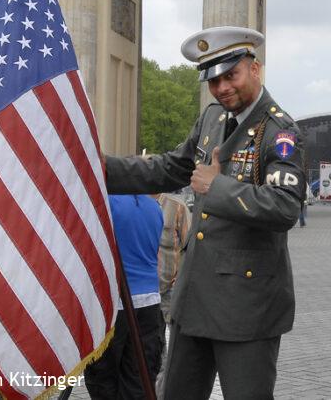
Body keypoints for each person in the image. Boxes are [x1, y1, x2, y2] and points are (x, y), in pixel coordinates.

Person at [104, 27, 306, 399]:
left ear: (255, 69)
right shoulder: (212, 118)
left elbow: (285, 206)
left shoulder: (280, 131)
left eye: (231, 75)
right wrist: (96, 168)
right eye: (213, 80)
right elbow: (167, 169)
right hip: (195, 298)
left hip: (247, 308)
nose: (222, 88)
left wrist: (217, 187)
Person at [84, 194, 164, 399]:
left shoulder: (106, 203)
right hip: (150, 302)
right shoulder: (154, 207)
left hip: (115, 305)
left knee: (103, 377)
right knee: (140, 376)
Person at [153, 191, 192, 396]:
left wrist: (181, 278)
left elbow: (191, 246)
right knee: (155, 353)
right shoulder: (134, 204)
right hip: (146, 293)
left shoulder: (177, 206)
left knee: (176, 352)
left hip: (172, 289)